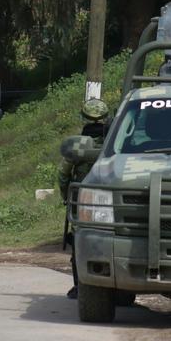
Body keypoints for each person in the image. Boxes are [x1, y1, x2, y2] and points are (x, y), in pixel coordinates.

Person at [59, 98, 109, 300]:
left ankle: (80, 287)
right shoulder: (114, 143)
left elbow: (63, 175)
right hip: (108, 201)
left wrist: (66, 198)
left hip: (81, 202)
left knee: (78, 242)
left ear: (83, 117)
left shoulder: (76, 146)